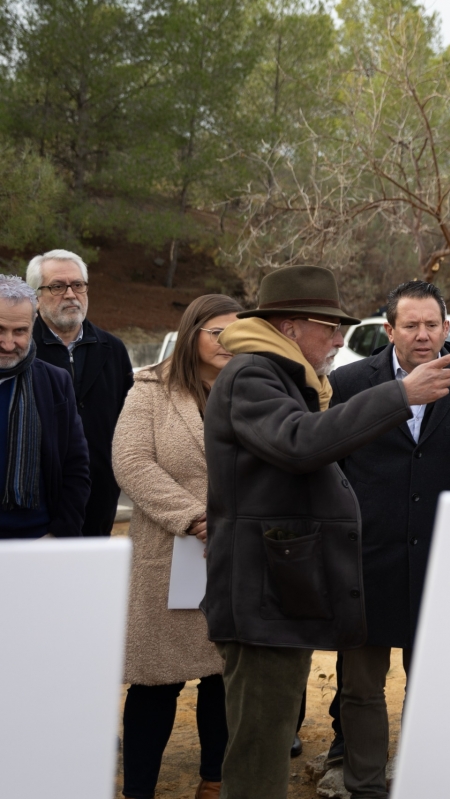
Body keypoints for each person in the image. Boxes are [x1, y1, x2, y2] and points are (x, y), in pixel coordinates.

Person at [203, 266, 450, 799]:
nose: (339, 339)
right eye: (330, 326)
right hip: (261, 596)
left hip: (278, 592)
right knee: (259, 753)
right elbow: (300, 442)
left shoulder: (280, 374)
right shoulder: (252, 375)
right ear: (290, 326)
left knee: (268, 740)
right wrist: (400, 395)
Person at [327, 281, 450, 799]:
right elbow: (333, 468)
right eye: (411, 325)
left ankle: (419, 777)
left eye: (432, 325)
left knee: (432, 685)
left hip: (443, 566)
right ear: (389, 330)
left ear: (447, 328)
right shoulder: (349, 383)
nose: (423, 335)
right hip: (367, 562)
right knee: (361, 685)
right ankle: (364, 784)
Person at [112, 295, 244, 799]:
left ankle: (214, 780)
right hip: (167, 556)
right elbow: (132, 462)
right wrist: (194, 517)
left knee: (223, 676)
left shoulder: (252, 386)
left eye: (237, 333)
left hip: (236, 554)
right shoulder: (150, 389)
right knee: (155, 682)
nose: (228, 342)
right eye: (217, 333)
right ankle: (139, 790)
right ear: (192, 334)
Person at [26, 249, 133, 537]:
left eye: (78, 285)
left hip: (99, 498)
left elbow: (128, 424)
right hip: (35, 502)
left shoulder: (113, 349)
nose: (71, 294)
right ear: (36, 297)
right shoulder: (20, 351)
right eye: (57, 286)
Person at [0, 275, 89, 539]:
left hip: (38, 541)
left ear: (33, 326)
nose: (8, 343)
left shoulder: (54, 381)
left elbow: (76, 467)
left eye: (19, 331)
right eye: (0, 330)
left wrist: (59, 535)